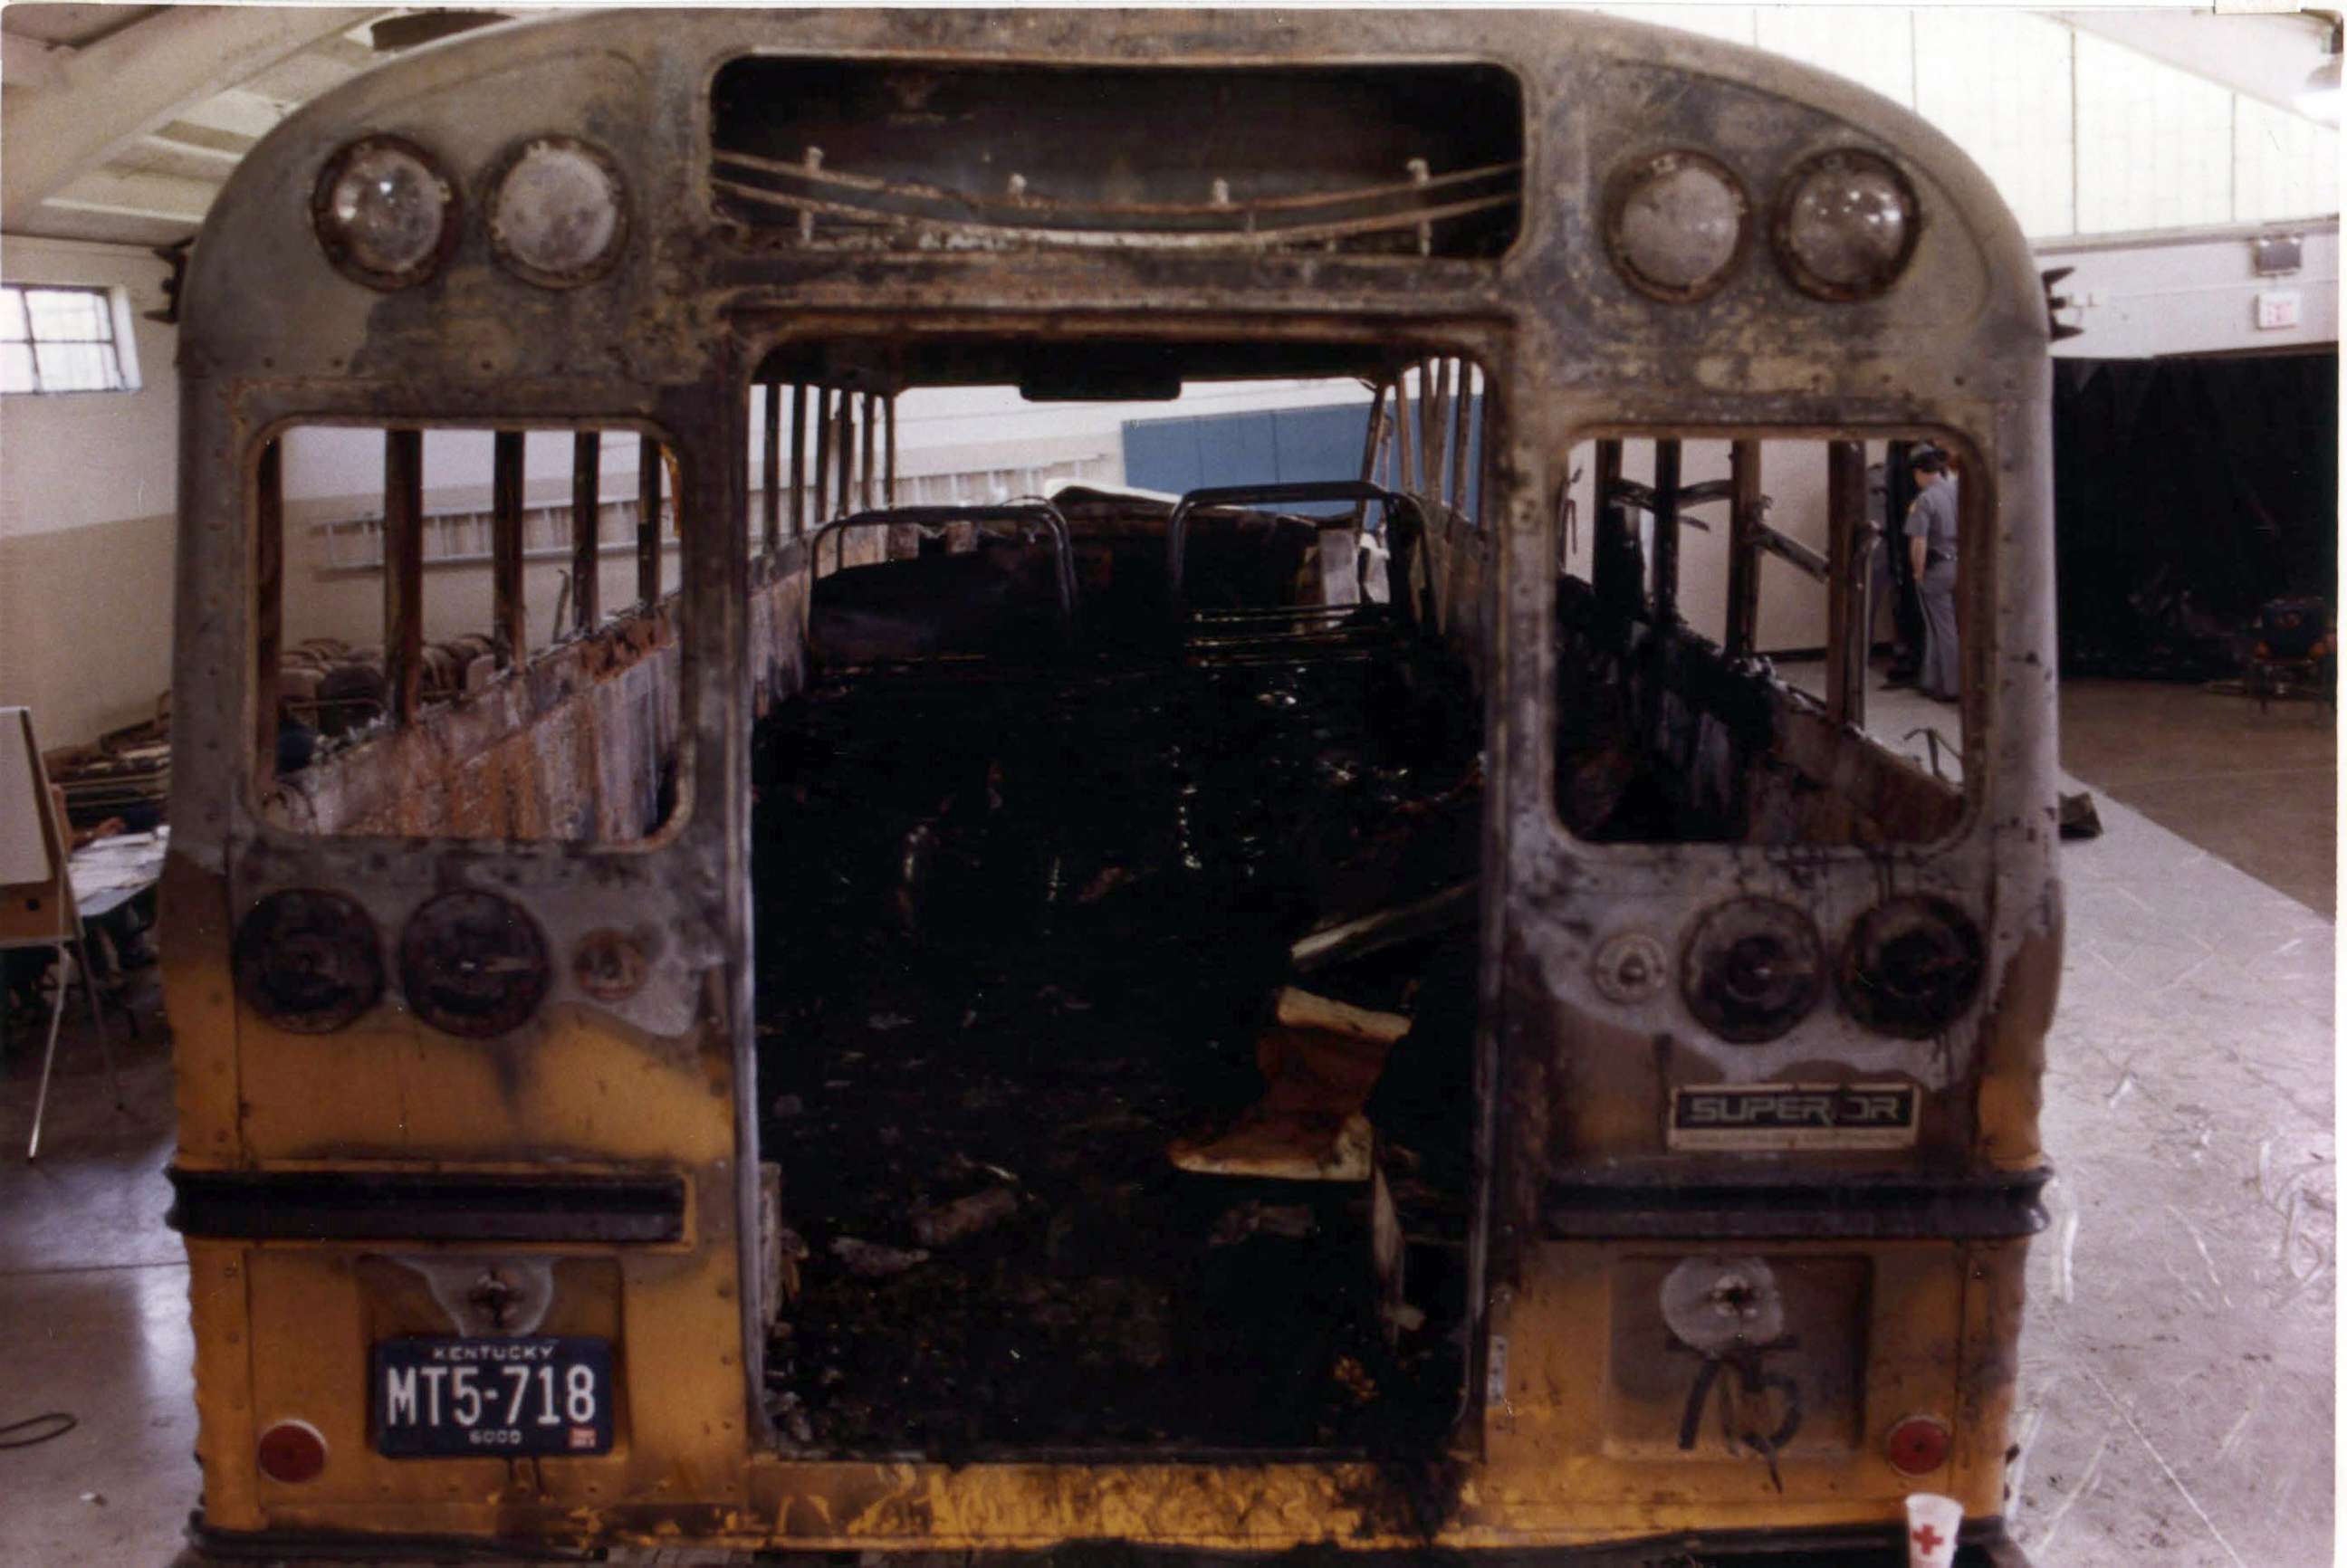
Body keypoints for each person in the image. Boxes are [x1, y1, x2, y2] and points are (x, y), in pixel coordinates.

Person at [1904, 445, 1960, 703]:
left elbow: (1919, 541)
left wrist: (1917, 572)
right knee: (1955, 626)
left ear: (1919, 472)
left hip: (1937, 569)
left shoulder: (1924, 499)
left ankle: (1951, 686)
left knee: (1941, 629)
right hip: (1960, 564)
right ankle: (1932, 679)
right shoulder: (1957, 491)